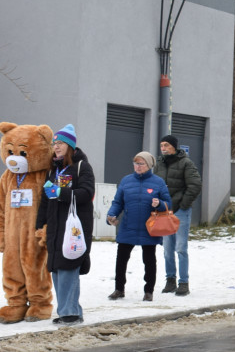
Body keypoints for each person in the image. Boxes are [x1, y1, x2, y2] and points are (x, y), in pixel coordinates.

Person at [35, 124, 94, 325]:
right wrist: (39, 224)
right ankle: (71, 311)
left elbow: (87, 193)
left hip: (74, 228)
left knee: (69, 267)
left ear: (69, 145)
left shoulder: (81, 167)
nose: (56, 147)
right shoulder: (54, 170)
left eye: (60, 143)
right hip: (55, 227)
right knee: (58, 270)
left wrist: (62, 193)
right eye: (54, 143)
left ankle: (69, 313)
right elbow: (45, 200)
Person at [105, 152, 172, 301]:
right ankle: (119, 289)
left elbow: (168, 204)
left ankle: (149, 291)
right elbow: (118, 202)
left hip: (149, 228)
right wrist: (111, 215)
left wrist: (159, 204)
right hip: (128, 226)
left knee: (149, 260)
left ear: (149, 165)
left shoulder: (158, 182)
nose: (138, 166)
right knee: (121, 259)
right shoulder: (126, 181)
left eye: (141, 163)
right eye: (136, 163)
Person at [153, 134, 202, 297]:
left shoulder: (186, 163)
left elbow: (195, 185)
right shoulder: (159, 164)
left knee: (181, 248)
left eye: (166, 145)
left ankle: (183, 283)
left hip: (181, 211)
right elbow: (155, 185)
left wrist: (183, 204)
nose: (163, 148)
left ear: (174, 146)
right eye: (161, 145)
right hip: (164, 211)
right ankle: (170, 280)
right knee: (167, 249)